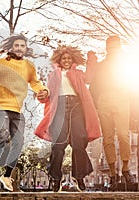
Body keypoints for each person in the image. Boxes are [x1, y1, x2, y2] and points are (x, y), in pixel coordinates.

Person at [0, 34, 49, 191]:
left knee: (18, 141)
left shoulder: (29, 66)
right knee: (3, 134)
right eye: (16, 45)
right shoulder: (2, 63)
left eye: (22, 46)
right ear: (11, 47)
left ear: (26, 48)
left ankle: (7, 176)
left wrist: (43, 90)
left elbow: (35, 83)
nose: (19, 48)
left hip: (17, 109)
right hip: (1, 106)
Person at [34, 45, 101, 192]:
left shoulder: (78, 73)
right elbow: (47, 93)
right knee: (58, 144)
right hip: (59, 107)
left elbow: (89, 78)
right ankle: (56, 177)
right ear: (59, 59)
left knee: (79, 141)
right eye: (64, 58)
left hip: (76, 106)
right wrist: (42, 95)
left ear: (73, 60)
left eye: (69, 58)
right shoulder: (53, 75)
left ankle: (79, 176)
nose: (66, 60)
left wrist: (91, 60)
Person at [86, 36, 135, 191]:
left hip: (122, 100)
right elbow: (90, 82)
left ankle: (126, 169)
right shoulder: (100, 66)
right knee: (107, 138)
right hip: (104, 101)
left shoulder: (127, 64)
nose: (114, 50)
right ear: (107, 48)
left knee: (122, 134)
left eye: (116, 47)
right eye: (111, 47)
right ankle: (113, 174)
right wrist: (90, 62)